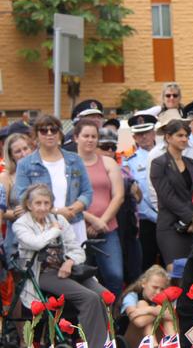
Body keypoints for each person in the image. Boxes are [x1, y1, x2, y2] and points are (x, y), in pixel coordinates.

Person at [13, 184, 109, 348]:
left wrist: (70, 261)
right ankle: (94, 344)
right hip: (42, 273)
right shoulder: (21, 225)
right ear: (29, 205)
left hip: (68, 269)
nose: (43, 208)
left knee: (104, 294)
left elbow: (77, 250)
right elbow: (36, 243)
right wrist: (55, 231)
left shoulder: (59, 219)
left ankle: (105, 340)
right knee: (89, 298)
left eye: (46, 203)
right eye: (38, 203)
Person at [14, 115, 93, 243]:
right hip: (42, 227)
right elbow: (24, 198)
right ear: (36, 135)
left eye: (54, 130)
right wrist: (56, 212)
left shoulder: (75, 159)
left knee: (76, 261)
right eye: (44, 130)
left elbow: (87, 192)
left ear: (60, 133)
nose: (49, 134)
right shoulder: (25, 164)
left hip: (74, 223)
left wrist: (72, 210)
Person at [76, 119, 125, 296]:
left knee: (115, 276)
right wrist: (91, 219)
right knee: (80, 278)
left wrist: (102, 221)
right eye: (85, 136)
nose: (90, 140)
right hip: (77, 229)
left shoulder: (108, 163)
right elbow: (66, 200)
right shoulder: (69, 164)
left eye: (93, 136)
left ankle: (112, 320)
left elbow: (118, 196)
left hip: (107, 228)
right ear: (76, 138)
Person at [150, 119, 193, 269]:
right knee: (177, 273)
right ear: (168, 137)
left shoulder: (192, 163)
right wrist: (190, 218)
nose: (184, 139)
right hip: (171, 227)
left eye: (186, 135)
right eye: (180, 135)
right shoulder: (159, 163)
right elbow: (167, 196)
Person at [98, 128, 143, 284]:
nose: (110, 151)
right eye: (105, 147)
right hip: (105, 228)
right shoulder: (90, 171)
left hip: (129, 228)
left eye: (113, 147)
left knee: (133, 273)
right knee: (110, 276)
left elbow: (138, 198)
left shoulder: (124, 169)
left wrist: (132, 189)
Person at [123, 114, 161, 271]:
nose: (144, 136)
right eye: (139, 134)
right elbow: (136, 196)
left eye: (147, 132)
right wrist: (156, 217)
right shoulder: (129, 161)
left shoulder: (166, 155)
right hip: (146, 222)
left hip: (172, 219)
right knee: (147, 266)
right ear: (134, 137)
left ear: (154, 133)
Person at [119, 265, 174, 347]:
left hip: (152, 340)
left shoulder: (162, 301)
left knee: (166, 317)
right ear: (144, 283)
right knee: (142, 303)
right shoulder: (132, 296)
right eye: (155, 287)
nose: (158, 292)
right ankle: (153, 344)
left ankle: (172, 343)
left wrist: (150, 310)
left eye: (162, 289)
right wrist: (159, 312)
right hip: (129, 342)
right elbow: (139, 322)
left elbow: (172, 316)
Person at [0, 133, 34, 258]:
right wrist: (16, 213)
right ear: (11, 156)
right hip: (16, 237)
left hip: (42, 233)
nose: (24, 154)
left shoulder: (41, 172)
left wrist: (31, 210)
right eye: (18, 151)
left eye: (26, 148)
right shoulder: (6, 177)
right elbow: (1, 211)